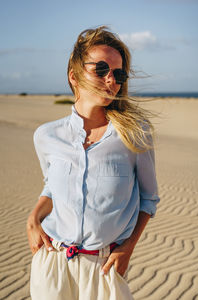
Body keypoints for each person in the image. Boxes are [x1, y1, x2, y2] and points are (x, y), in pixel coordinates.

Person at [27, 26, 160, 300]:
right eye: (100, 69)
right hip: (52, 264)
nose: (111, 79)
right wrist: (33, 219)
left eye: (118, 74)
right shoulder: (46, 136)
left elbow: (149, 200)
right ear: (73, 76)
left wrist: (127, 248)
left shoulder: (135, 134)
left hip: (104, 270)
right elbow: (52, 187)